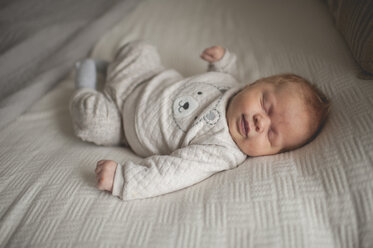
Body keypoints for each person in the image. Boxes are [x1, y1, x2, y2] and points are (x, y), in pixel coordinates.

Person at [70, 40, 330, 201]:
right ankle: (111, 67)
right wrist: (222, 61)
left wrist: (124, 179)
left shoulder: (221, 150)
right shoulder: (233, 85)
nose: (261, 123)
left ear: (273, 153)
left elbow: (173, 172)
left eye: (272, 135)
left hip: (124, 124)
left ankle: (85, 78)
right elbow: (226, 74)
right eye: (265, 105)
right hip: (148, 76)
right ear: (254, 83)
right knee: (140, 47)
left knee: (91, 121)